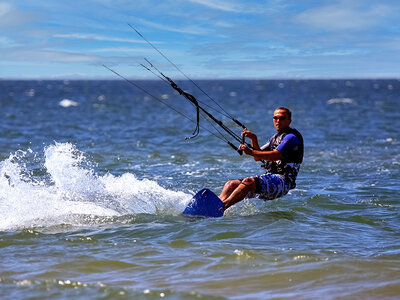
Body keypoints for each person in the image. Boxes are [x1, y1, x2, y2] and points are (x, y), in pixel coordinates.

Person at [219, 107, 303, 210]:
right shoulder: (274, 138)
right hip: (271, 178)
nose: (277, 121)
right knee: (231, 184)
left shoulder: (291, 137)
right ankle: (217, 205)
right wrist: (254, 138)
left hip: (283, 182)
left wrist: (251, 152)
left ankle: (222, 207)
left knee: (248, 182)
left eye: (281, 118)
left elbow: (276, 154)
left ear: (289, 120)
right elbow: (257, 157)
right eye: (275, 118)